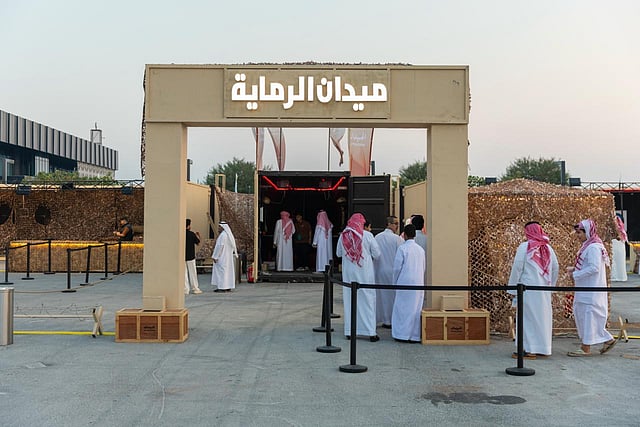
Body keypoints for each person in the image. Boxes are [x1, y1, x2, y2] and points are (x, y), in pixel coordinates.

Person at [507, 221, 559, 358]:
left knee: (527, 318)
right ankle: (543, 348)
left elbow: (517, 267)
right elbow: (555, 268)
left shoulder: (525, 247)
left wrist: (512, 288)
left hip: (527, 289)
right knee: (543, 318)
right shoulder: (548, 248)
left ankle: (529, 350)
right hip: (544, 289)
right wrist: (551, 286)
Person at [566, 219, 618, 357]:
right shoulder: (590, 246)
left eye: (579, 233)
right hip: (587, 288)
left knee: (588, 316)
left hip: (590, 289)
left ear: (587, 232)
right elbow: (589, 266)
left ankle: (586, 347)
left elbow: (594, 268)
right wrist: (575, 270)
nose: (578, 236)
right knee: (588, 316)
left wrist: (576, 274)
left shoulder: (593, 247)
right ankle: (608, 340)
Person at [336, 212, 381, 341]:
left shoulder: (344, 235)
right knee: (367, 300)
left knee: (350, 300)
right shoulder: (367, 235)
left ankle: (350, 331)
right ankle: (370, 332)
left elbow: (338, 254)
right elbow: (377, 254)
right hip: (365, 274)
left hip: (349, 275)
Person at [391, 224, 426, 343]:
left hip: (404, 281)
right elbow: (423, 267)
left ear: (405, 235)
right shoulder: (420, 250)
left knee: (402, 308)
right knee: (415, 309)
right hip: (418, 282)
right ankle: (413, 335)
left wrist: (394, 282)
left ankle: (401, 334)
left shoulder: (402, 249)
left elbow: (397, 268)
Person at [374, 216, 403, 329]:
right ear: (389, 224)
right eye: (395, 223)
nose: (397, 226)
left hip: (379, 270)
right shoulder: (397, 239)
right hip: (392, 271)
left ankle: (382, 318)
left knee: (381, 297)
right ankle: (390, 320)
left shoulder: (377, 237)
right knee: (391, 297)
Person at [211, 221, 238, 293]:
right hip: (228, 257)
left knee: (221, 272)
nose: (218, 228)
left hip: (222, 257)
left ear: (222, 227)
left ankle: (222, 287)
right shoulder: (229, 235)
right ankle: (228, 286)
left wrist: (215, 256)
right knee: (227, 272)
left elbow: (220, 246)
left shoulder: (223, 236)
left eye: (219, 227)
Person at [185, 219, 203, 295]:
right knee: (192, 273)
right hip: (191, 256)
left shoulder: (180, 234)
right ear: (188, 226)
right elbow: (198, 243)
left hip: (182, 257)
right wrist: (198, 236)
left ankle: (185, 289)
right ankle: (195, 288)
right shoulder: (192, 234)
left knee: (184, 274)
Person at [610, 214, 628, 282]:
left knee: (618, 261)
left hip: (617, 243)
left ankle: (618, 276)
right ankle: (618, 276)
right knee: (615, 261)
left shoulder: (617, 219)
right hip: (616, 242)